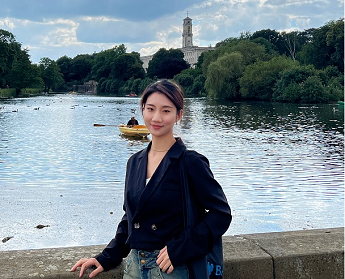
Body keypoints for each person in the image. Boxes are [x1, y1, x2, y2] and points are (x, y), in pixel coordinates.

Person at [71, 79, 232, 278]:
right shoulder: (135, 162)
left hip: (173, 269)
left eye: (166, 111)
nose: (156, 117)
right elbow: (130, 219)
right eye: (151, 109)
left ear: (178, 115)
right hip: (134, 268)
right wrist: (107, 257)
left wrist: (180, 249)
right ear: (143, 110)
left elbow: (221, 213)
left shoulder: (190, 162)